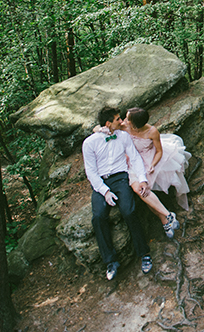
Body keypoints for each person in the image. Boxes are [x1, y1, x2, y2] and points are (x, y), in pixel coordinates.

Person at [83, 106, 154, 281]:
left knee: (129, 211)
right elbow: (90, 172)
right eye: (117, 119)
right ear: (108, 123)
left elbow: (135, 158)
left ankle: (144, 253)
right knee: (98, 217)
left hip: (120, 177)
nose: (121, 121)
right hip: (100, 182)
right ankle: (111, 261)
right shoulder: (90, 143)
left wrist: (142, 179)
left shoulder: (123, 136)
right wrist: (104, 191)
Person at [121, 107, 191, 213]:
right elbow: (100, 127)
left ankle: (166, 213)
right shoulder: (124, 126)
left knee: (147, 180)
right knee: (139, 184)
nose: (124, 120)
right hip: (133, 157)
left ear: (135, 123)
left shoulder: (152, 131)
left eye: (127, 119)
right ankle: (165, 215)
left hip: (150, 154)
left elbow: (159, 151)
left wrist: (153, 164)